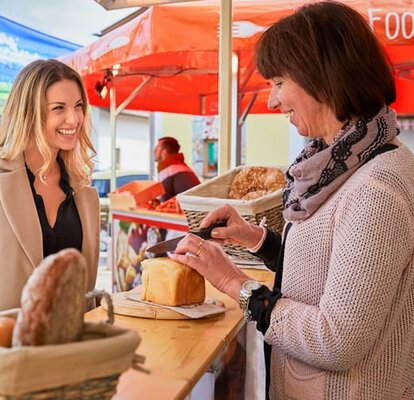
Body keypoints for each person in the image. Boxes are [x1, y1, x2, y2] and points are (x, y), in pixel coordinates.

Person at [170, 2, 414, 399]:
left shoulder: (377, 186)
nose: (272, 101)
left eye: (279, 82)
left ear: (323, 76)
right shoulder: (338, 164)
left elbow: (336, 339)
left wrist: (235, 283)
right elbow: (331, 270)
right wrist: (257, 239)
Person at [0, 59, 100, 311]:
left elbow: (84, 287)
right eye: (59, 108)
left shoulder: (85, 192)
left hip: (69, 344)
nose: (74, 118)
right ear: (29, 113)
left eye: (78, 106)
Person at [153, 136, 200, 202]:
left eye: (157, 148)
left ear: (164, 152)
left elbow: (165, 199)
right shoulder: (180, 165)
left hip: (188, 209)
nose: (154, 151)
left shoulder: (166, 166)